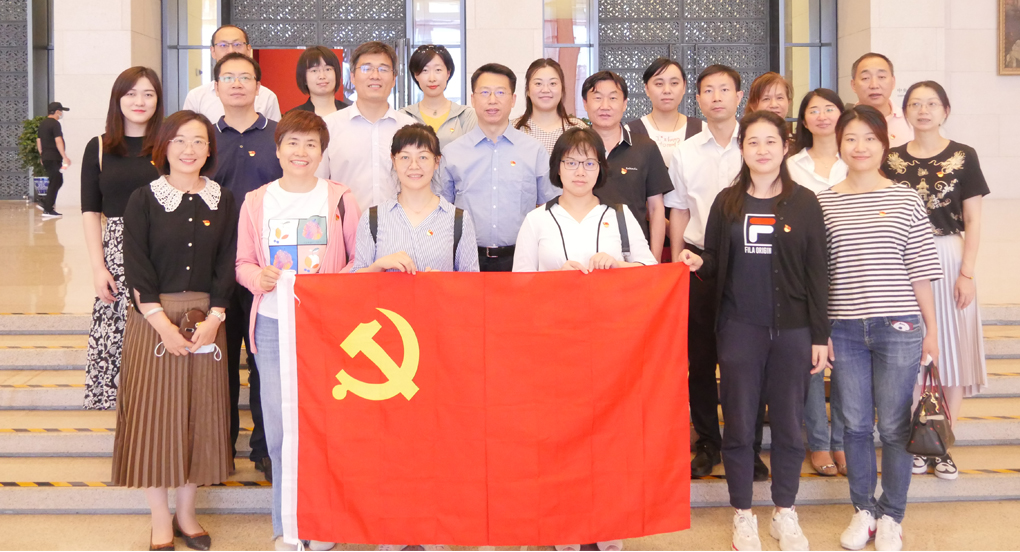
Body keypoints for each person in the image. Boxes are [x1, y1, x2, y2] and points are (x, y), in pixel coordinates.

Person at [679, 110, 827, 552]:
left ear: (786, 147)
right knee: (740, 425)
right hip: (739, 329)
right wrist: (698, 262)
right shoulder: (727, 202)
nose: (762, 150)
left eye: (771, 141)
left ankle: (785, 511)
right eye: (753, 142)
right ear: (742, 148)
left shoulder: (805, 202)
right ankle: (742, 514)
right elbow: (716, 262)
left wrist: (821, 335)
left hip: (794, 331)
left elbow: (818, 273)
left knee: (788, 425)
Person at [513, 127, 654, 552]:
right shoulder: (537, 219)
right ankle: (565, 526)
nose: (580, 170)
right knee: (559, 439)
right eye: (571, 162)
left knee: (607, 439)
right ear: (557, 167)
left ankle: (606, 527)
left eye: (589, 162)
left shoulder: (620, 216)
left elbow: (651, 274)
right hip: (553, 348)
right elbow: (518, 287)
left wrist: (618, 265)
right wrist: (553, 280)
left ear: (601, 168)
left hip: (611, 350)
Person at [818, 106, 942, 552]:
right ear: (839, 144)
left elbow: (920, 270)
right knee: (853, 425)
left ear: (884, 144)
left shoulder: (906, 199)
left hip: (900, 326)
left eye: (869, 138)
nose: (860, 147)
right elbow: (819, 275)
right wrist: (821, 330)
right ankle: (863, 511)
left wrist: (931, 329)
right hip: (844, 329)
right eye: (851, 138)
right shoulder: (824, 202)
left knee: (892, 425)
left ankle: (892, 515)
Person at [236, 110, 358, 552]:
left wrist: (332, 287)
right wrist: (259, 278)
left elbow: (359, 260)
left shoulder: (340, 198)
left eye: (310, 144)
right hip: (273, 325)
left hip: (325, 327)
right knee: (281, 428)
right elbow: (242, 263)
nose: (301, 152)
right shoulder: (256, 201)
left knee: (325, 425)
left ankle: (323, 524)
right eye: (292, 142)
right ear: (278, 149)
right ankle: (287, 527)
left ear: (322, 152)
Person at [115, 110, 236, 551]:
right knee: (155, 420)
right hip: (154, 321)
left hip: (206, 322)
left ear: (210, 149)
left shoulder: (224, 199)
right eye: (180, 140)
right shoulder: (143, 199)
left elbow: (228, 262)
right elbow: (136, 266)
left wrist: (216, 318)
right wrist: (162, 325)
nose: (190, 149)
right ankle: (159, 519)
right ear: (164, 146)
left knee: (199, 419)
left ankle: (187, 514)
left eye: (199, 141)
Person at [883, 81, 990, 481]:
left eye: (931, 103)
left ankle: (943, 445)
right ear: (905, 112)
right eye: (915, 103)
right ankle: (917, 441)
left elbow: (974, 218)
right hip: (903, 259)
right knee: (911, 352)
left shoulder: (964, 156)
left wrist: (967, 272)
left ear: (945, 109)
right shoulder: (891, 159)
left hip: (949, 254)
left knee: (952, 353)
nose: (923, 110)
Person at [664, 64, 744, 479]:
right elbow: (678, 210)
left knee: (744, 360)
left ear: (739, 96)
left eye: (724, 89)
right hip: (697, 262)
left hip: (749, 262)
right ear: (697, 100)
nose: (716, 97)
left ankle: (745, 445)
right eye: (708, 90)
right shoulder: (686, 152)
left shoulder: (756, 144)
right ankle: (708, 441)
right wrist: (677, 263)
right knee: (700, 359)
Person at [210, 51, 284, 481]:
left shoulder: (279, 135)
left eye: (245, 77)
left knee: (263, 363)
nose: (237, 84)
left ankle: (264, 448)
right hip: (216, 267)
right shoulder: (202, 138)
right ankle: (219, 448)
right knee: (218, 365)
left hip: (266, 270)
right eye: (228, 77)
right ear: (216, 86)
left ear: (259, 86)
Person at [81, 66, 163, 411]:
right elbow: (90, 211)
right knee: (115, 330)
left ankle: (159, 403)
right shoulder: (99, 147)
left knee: (159, 326)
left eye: (148, 94)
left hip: (161, 249)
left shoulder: (168, 145)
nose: (139, 101)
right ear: (118, 99)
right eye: (131, 94)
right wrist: (98, 267)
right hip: (116, 252)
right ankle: (121, 410)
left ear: (158, 100)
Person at [439, 63, 559, 272]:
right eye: (485, 92)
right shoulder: (452, 153)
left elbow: (550, 207)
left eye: (501, 92)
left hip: (521, 258)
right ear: (473, 99)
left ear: (513, 100)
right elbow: (441, 210)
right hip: (465, 259)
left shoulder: (533, 151)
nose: (492, 100)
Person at [787, 87, 849, 477]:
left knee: (847, 362)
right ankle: (820, 442)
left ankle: (842, 440)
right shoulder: (791, 165)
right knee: (813, 360)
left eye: (830, 108)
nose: (822, 116)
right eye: (814, 110)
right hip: (804, 272)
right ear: (804, 119)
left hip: (850, 271)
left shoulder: (856, 159)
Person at [581, 70, 671, 261]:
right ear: (585, 104)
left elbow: (656, 209)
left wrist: (652, 262)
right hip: (585, 253)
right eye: (597, 98)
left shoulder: (645, 147)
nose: (605, 106)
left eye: (613, 98)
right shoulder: (575, 150)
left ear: (624, 104)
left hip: (633, 255)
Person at [317, 41, 415, 211]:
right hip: (345, 226)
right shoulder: (329, 127)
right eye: (366, 68)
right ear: (352, 77)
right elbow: (318, 184)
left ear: (394, 79)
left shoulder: (411, 128)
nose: (375, 75)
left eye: (383, 69)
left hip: (401, 225)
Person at [183, 24, 282, 122]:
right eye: (223, 45)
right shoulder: (196, 97)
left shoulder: (267, 97)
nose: (231, 51)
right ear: (213, 51)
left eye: (237, 44)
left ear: (248, 49)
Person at [625, 57, 703, 166]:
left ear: (684, 87)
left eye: (674, 83)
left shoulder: (702, 129)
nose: (667, 90)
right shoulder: (630, 132)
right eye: (659, 84)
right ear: (647, 89)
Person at [401, 44, 476, 148]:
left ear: (448, 73)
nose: (432, 78)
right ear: (416, 75)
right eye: (425, 70)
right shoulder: (404, 116)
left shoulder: (466, 116)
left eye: (438, 70)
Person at [512, 58, 586, 153]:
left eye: (552, 83)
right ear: (528, 90)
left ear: (562, 90)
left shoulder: (579, 129)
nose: (545, 90)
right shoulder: (513, 129)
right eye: (538, 83)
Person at [850, 53, 912, 147]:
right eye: (865, 78)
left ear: (893, 82)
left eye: (881, 77)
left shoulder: (910, 122)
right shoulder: (842, 123)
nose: (874, 85)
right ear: (853, 85)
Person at [288, 46, 349, 116]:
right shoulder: (294, 117)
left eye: (328, 69)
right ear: (304, 78)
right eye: (314, 70)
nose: (322, 76)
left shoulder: (351, 114)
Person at [37, 101, 72, 219]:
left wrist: (42, 155)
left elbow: (39, 141)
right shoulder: (55, 124)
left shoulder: (42, 124)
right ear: (57, 111)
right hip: (53, 157)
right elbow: (58, 140)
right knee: (56, 181)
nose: (61, 114)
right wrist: (64, 156)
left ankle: (45, 203)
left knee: (57, 180)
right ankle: (47, 209)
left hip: (47, 157)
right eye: (61, 111)